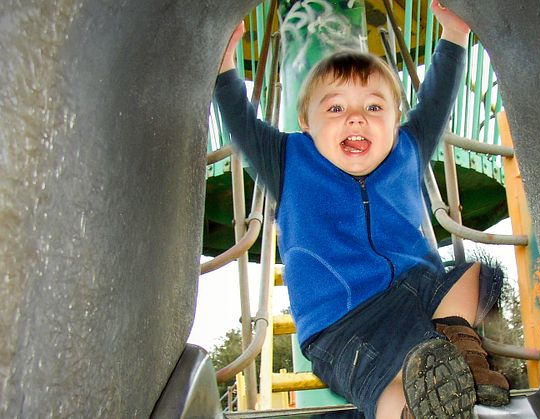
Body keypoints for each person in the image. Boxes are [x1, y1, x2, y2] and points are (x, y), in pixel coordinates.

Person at [214, 2, 508, 417]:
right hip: (345, 321)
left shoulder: (407, 149)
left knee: (480, 274)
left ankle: (457, 354)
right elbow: (241, 120)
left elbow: (437, 99)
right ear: (306, 123)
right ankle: (413, 406)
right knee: (388, 380)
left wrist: (455, 36)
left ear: (395, 121)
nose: (356, 118)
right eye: (335, 108)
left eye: (374, 107)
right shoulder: (287, 160)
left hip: (417, 292)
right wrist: (224, 64)